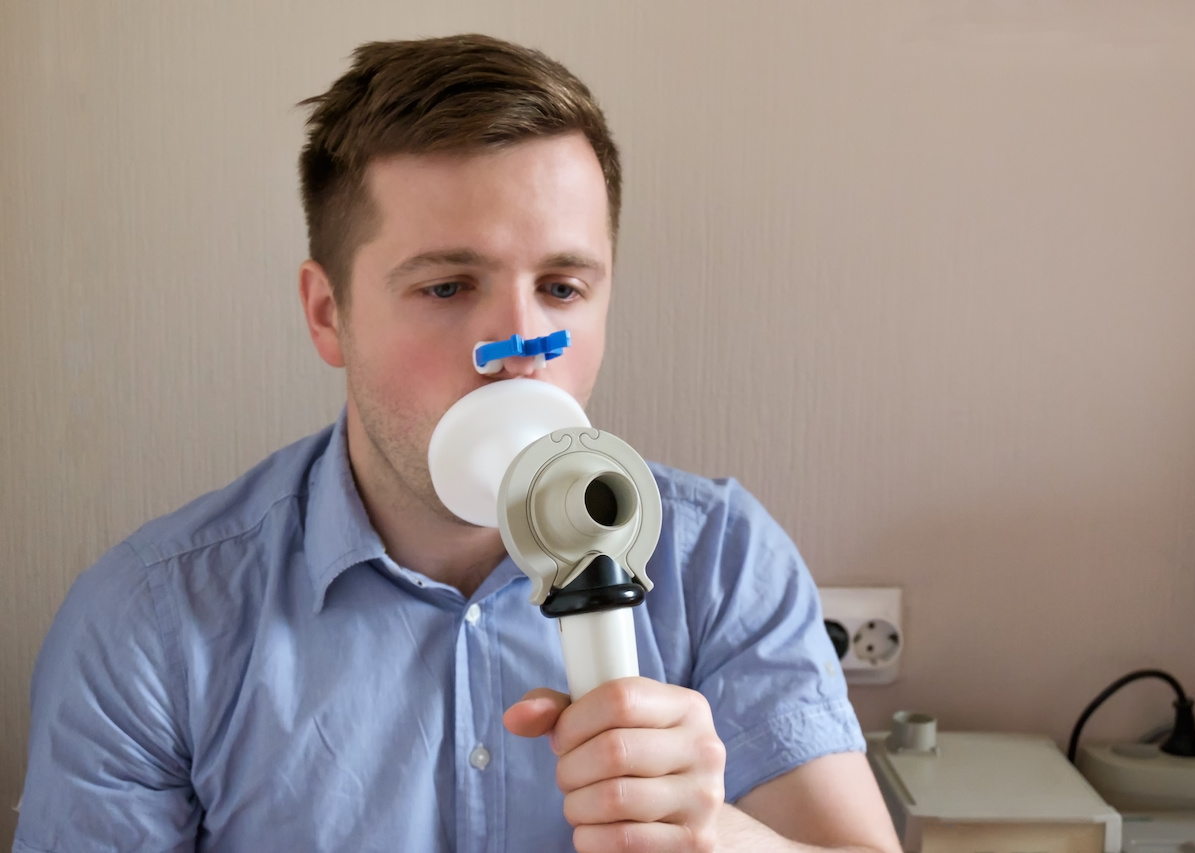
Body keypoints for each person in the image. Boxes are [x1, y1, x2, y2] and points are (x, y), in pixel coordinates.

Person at [14, 34, 901, 853]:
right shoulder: (151, 624)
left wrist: (719, 835)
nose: (520, 347)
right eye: (447, 287)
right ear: (330, 314)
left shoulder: (720, 563)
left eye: (561, 286)